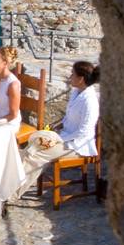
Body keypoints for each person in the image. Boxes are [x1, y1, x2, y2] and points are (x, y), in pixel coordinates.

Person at [12, 60, 100, 199]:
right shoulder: (76, 92)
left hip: (77, 145)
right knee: (31, 146)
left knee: (35, 155)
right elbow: (69, 116)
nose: (70, 77)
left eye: (72, 74)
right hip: (65, 136)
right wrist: (58, 126)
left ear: (81, 79)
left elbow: (84, 131)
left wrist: (57, 139)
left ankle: (12, 193)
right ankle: (8, 183)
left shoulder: (90, 100)